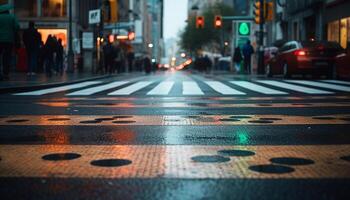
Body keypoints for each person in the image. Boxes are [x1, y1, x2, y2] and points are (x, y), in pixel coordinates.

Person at [0, 4, 19, 80]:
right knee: (7, 57)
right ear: (8, 11)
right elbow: (17, 27)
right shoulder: (12, 17)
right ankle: (6, 73)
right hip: (9, 40)